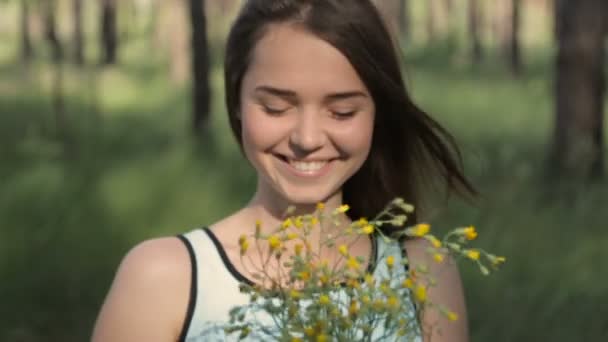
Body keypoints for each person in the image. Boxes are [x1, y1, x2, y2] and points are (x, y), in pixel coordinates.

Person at [92, 1, 476, 341]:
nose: (307, 138)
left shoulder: (423, 272)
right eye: (276, 107)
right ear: (237, 100)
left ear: (378, 113)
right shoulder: (164, 278)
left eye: (342, 112)